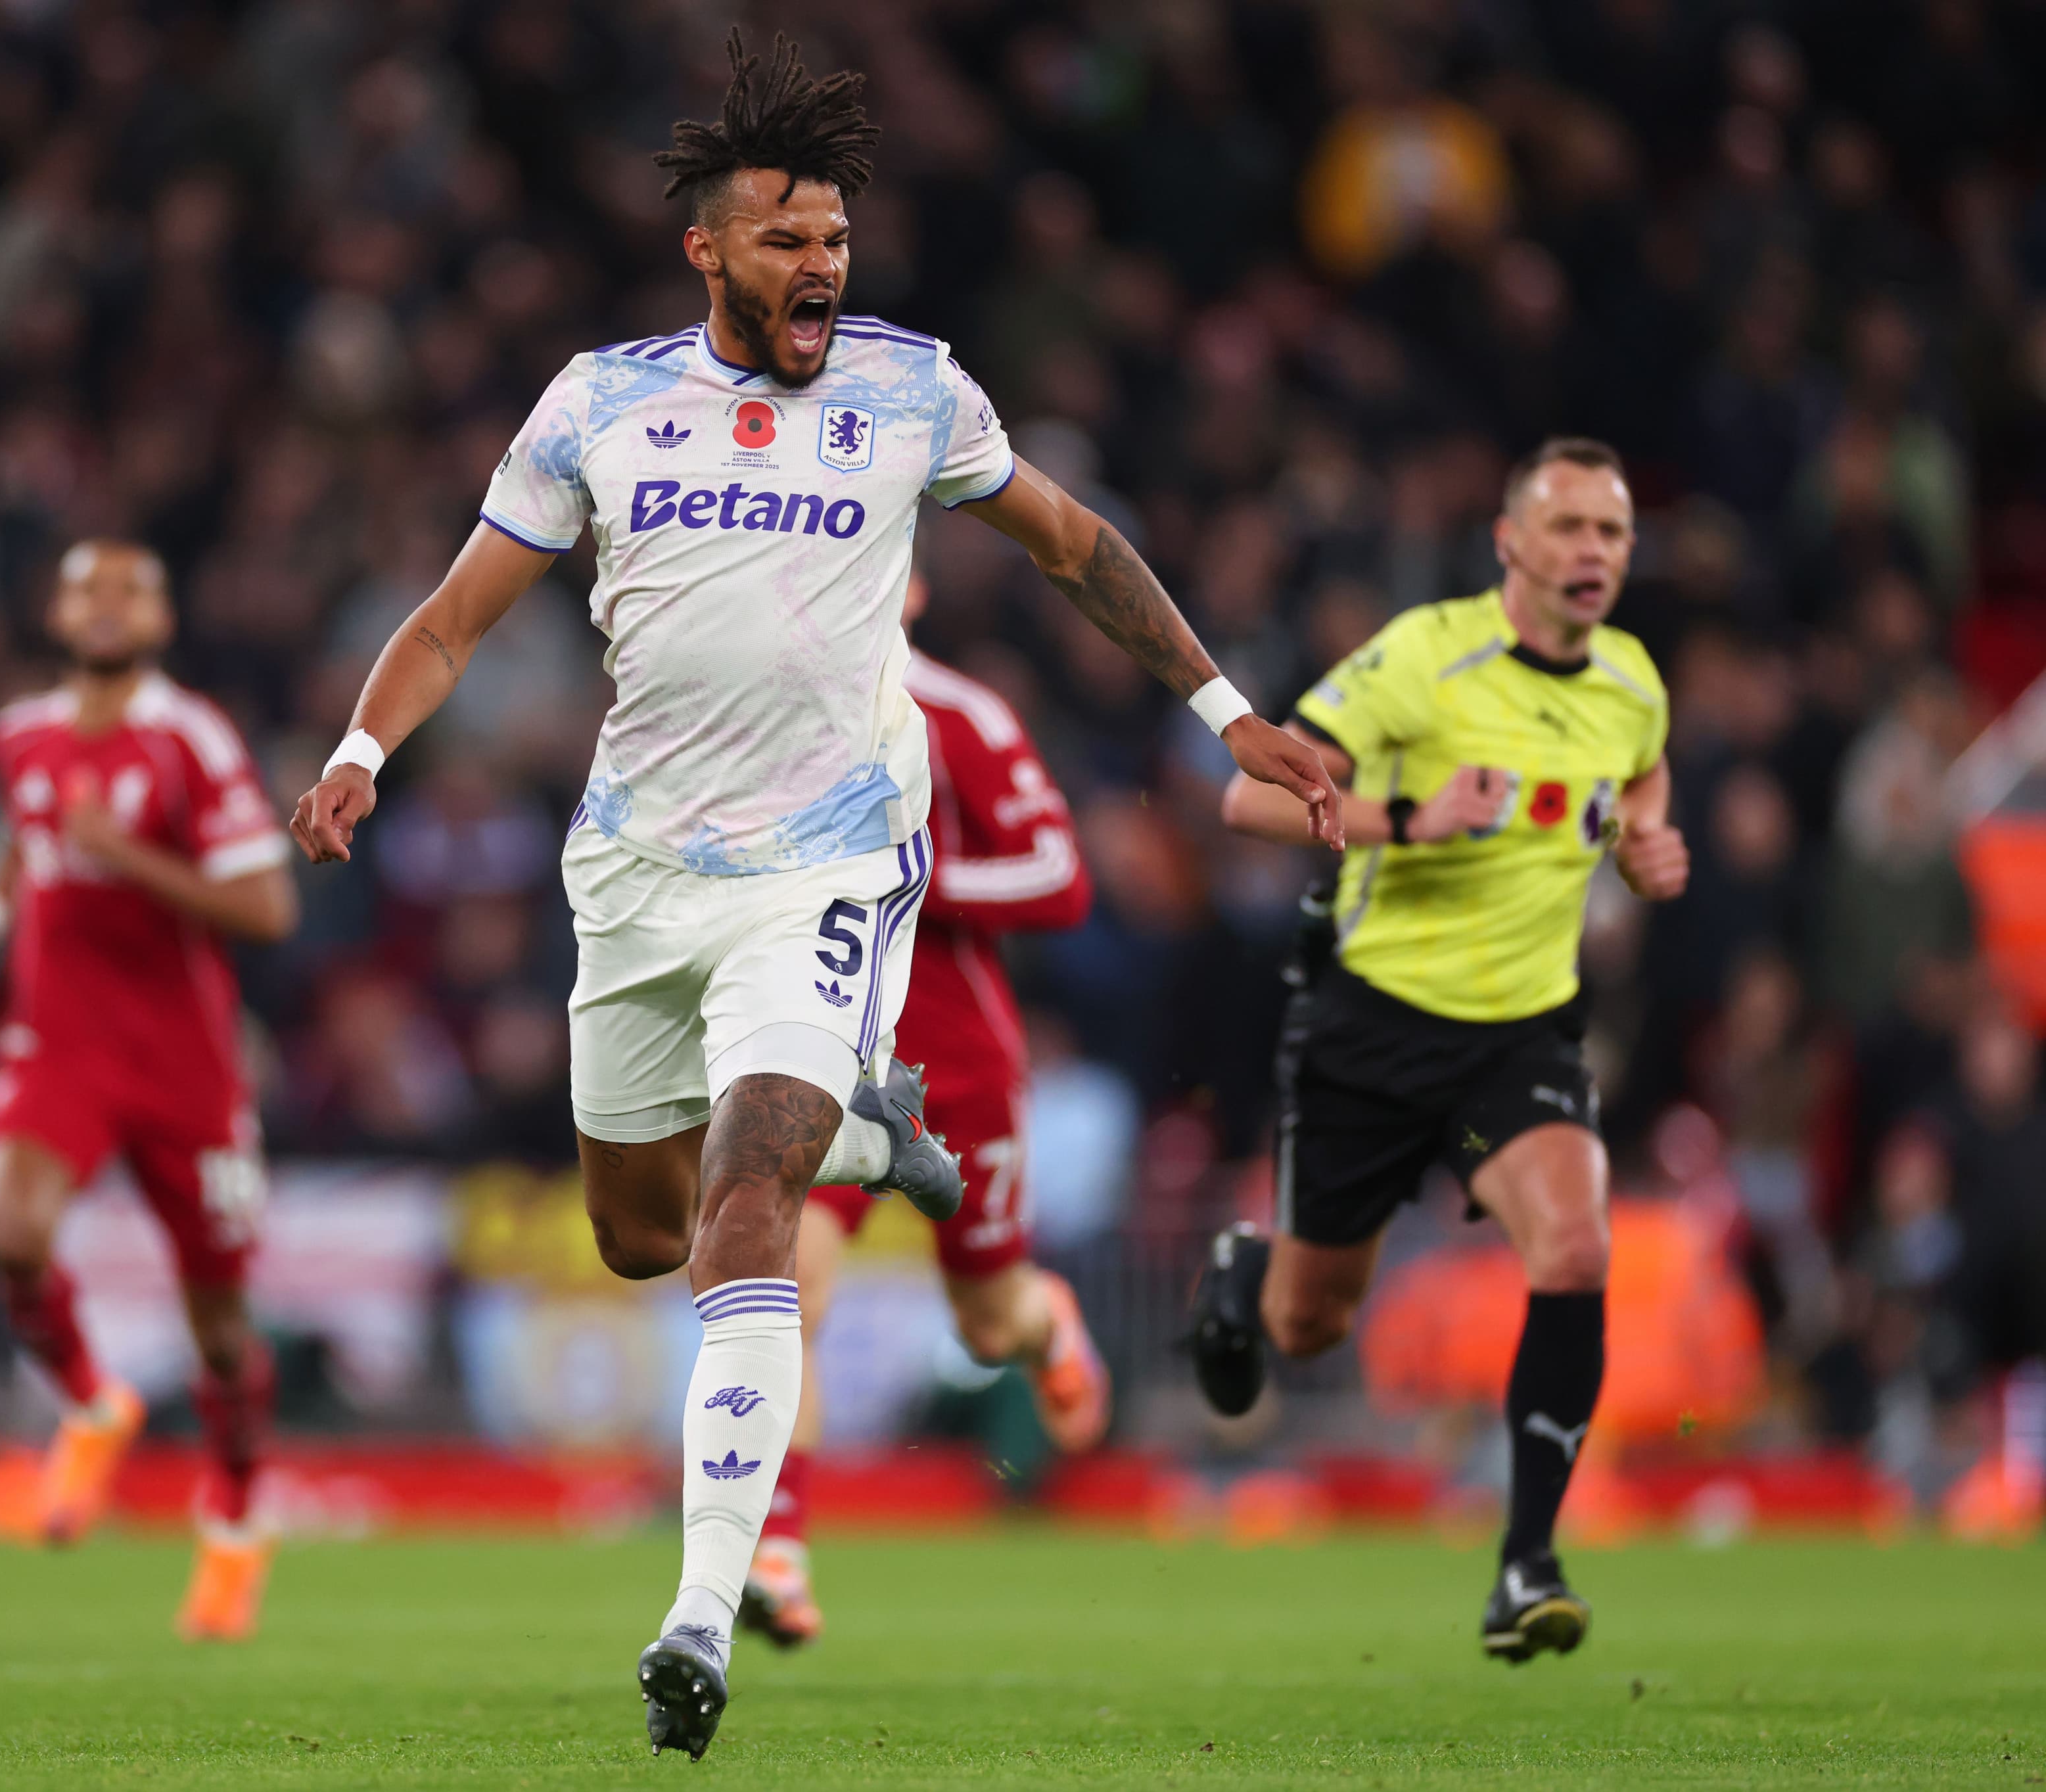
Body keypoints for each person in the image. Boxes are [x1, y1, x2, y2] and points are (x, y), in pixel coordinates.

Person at [288, 31, 1338, 1758]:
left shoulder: (917, 391)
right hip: (636, 865)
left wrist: (1235, 715)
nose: (823, 265)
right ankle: (880, 1135)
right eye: (786, 238)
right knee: (639, 1231)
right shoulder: (599, 402)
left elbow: (1078, 548)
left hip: (834, 859)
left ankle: (699, 1613)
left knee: (747, 1185)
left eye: (837, 236)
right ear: (708, 250)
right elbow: (454, 619)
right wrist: (360, 754)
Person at [1190, 436, 1689, 1663]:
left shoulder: (1631, 683)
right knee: (1312, 1325)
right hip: (1372, 1027)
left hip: (1516, 1037)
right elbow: (1249, 800)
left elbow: (1646, 774)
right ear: (1509, 543)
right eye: (1566, 527)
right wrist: (1409, 819)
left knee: (1575, 1245)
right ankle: (1243, 1280)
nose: (1591, 553)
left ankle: (1526, 1563)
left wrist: (1647, 844)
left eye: (1611, 533)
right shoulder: (1425, 655)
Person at [0, 540, 297, 1642]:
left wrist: (124, 856)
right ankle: (94, 1400)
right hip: (60, 1041)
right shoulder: (17, 733)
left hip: (185, 1063)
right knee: (10, 1225)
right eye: (87, 587)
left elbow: (267, 909)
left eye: (130, 588)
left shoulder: (192, 738)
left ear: (162, 617)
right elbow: (23, 837)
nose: (105, 605)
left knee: (223, 1333)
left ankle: (234, 1522)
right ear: (56, 608)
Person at [739, 574, 1109, 1649]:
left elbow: (1062, 879)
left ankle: (1049, 1326)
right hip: (820, 1047)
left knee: (987, 1322)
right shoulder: (758, 714)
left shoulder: (964, 715)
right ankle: (780, 1555)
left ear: (915, 589)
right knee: (784, 1291)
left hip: (954, 1064)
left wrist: (910, 882)